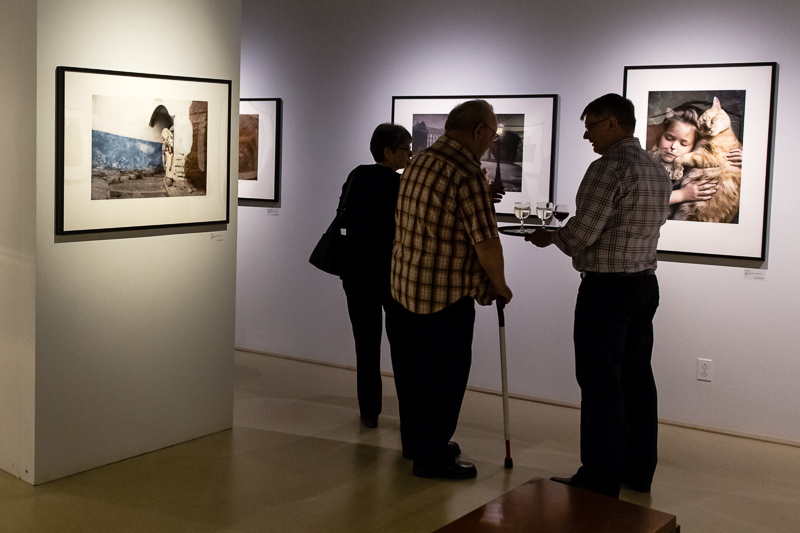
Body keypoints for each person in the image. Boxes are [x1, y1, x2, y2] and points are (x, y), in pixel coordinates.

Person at [525, 94, 672, 498]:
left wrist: (549, 236)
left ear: (612, 123)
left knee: (600, 382)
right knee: (637, 378)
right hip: (644, 284)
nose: (586, 133)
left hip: (607, 289)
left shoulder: (608, 168)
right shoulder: (657, 169)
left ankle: (600, 476)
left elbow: (580, 237)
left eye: (590, 124)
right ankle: (638, 472)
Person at [388, 100, 513, 480]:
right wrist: (500, 284)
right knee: (444, 378)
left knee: (412, 374)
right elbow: (486, 241)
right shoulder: (467, 173)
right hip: (444, 296)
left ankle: (418, 443)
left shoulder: (420, 161)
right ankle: (432, 457)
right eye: (492, 134)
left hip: (405, 287)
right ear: (478, 132)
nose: (491, 142)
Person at [340, 123, 412, 429]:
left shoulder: (357, 175)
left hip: (356, 274)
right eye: (406, 149)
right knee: (403, 347)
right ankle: (410, 411)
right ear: (388, 151)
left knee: (365, 345)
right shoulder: (400, 186)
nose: (410, 154)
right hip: (392, 276)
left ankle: (369, 411)